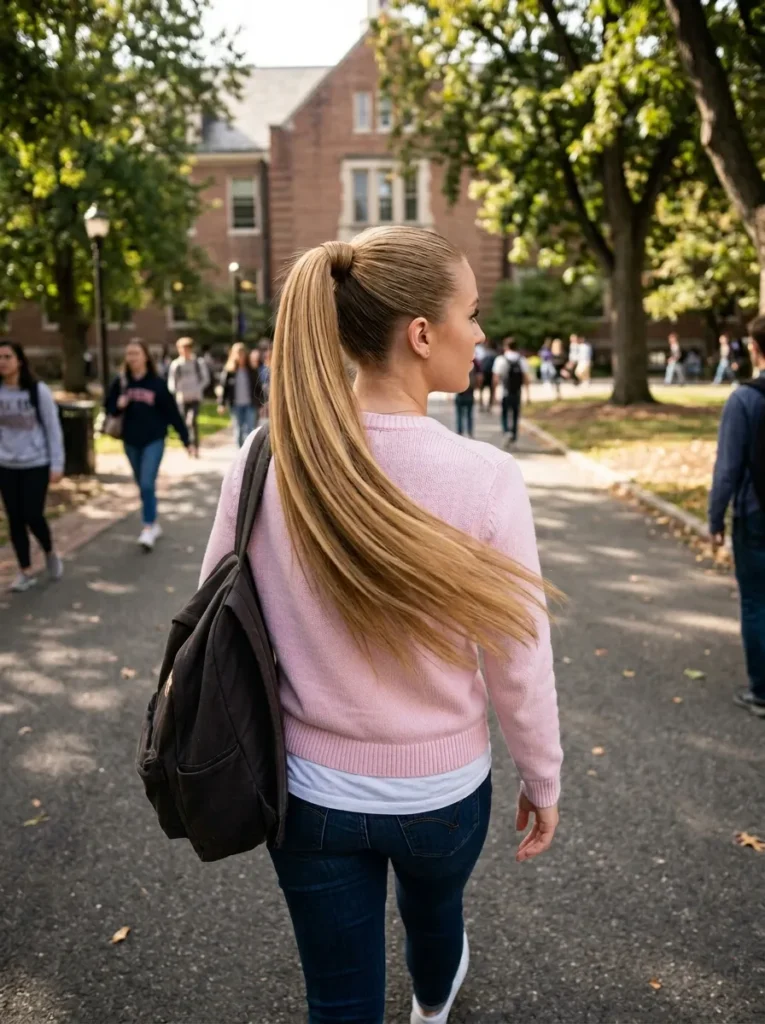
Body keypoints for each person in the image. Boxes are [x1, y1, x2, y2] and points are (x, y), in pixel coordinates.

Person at [202, 226, 562, 1024]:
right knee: (435, 920)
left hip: (307, 794)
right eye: (470, 313)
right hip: (442, 791)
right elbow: (518, 658)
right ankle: (432, 1011)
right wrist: (542, 776)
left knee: (337, 997)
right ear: (421, 334)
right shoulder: (485, 478)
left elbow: (216, 620)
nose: (479, 333)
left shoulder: (266, 458)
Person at [710, 317, 765, 718]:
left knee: (756, 601)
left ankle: (761, 690)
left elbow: (727, 468)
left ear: (754, 348)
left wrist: (715, 519)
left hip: (755, 512)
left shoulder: (744, 400)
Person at [105, 338, 194, 551]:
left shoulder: (157, 383)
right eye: (129, 354)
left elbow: (172, 413)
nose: (132, 358)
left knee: (146, 483)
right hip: (130, 441)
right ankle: (152, 521)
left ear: (145, 356)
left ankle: (148, 527)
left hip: (154, 440)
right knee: (143, 484)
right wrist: (118, 405)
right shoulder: (121, 382)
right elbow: (108, 407)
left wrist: (186, 440)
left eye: (136, 353)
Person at [0, 340, 65, 592]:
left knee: (32, 515)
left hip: (36, 463)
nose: (2, 362)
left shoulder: (38, 391)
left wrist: (57, 463)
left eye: (7, 356)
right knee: (14, 518)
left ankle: (49, 550)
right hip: (6, 464)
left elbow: (52, 428)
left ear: (20, 361)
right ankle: (25, 571)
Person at [167, 336, 210, 454]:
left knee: (192, 421)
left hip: (195, 397)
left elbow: (205, 379)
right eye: (182, 348)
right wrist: (175, 391)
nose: (185, 351)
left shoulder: (198, 362)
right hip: (182, 398)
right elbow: (171, 381)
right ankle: (188, 445)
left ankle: (195, 446)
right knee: (185, 423)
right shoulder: (176, 364)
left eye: (187, 348)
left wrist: (197, 388)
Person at [218, 342, 264, 447]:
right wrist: (222, 404)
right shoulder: (229, 371)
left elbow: (258, 388)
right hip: (236, 404)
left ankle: (248, 452)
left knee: (250, 429)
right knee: (238, 429)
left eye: (242, 354)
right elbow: (224, 389)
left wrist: (260, 404)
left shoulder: (252, 370)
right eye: (238, 354)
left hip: (250, 404)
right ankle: (240, 453)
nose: (240, 357)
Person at [493, 337, 530, 444]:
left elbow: (496, 378)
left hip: (505, 391)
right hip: (517, 391)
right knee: (515, 414)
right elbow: (526, 378)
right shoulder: (522, 360)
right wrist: (528, 395)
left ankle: (506, 431)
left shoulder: (501, 359)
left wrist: (494, 394)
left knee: (504, 413)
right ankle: (513, 435)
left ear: (506, 347)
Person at [454, 353, 479, 437]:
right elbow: (480, 377)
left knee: (459, 414)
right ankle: (470, 432)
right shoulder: (475, 362)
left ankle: (460, 432)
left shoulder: (458, 363)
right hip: (470, 392)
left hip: (460, 393)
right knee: (469, 414)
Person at [478, 340, 498, 411]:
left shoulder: (484, 354)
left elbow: (481, 365)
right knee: (491, 391)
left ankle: (481, 405)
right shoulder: (495, 355)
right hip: (491, 375)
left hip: (484, 374)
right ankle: (489, 406)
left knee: (481, 391)